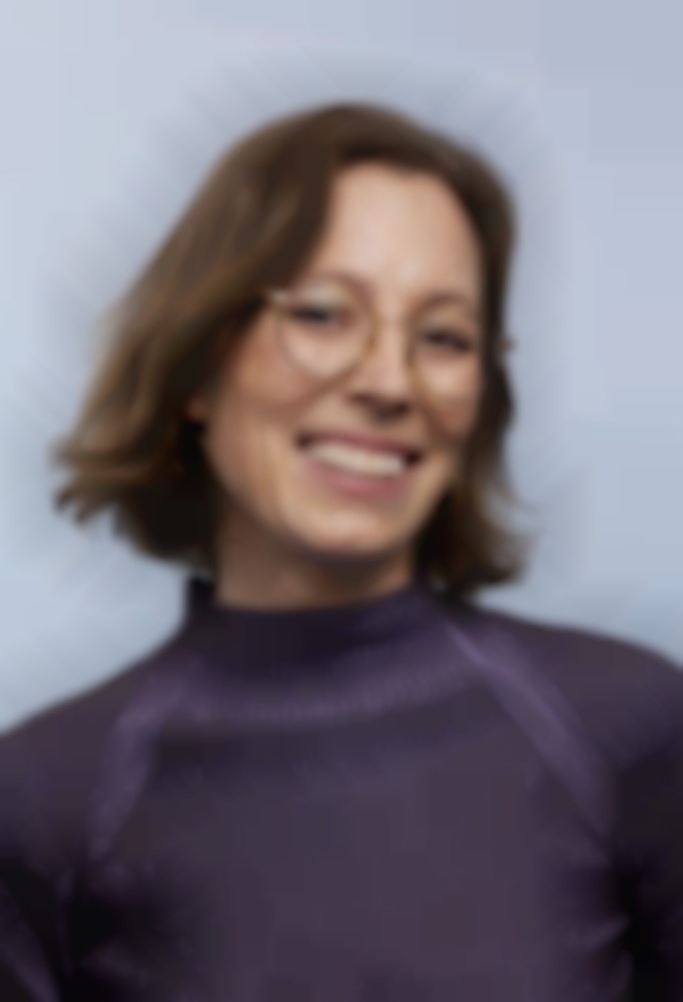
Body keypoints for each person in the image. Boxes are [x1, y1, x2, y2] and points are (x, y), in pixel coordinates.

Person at [1, 101, 681, 1002]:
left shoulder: (631, 729)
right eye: (323, 314)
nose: (389, 382)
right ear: (199, 363)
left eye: (443, 337)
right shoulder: (44, 798)